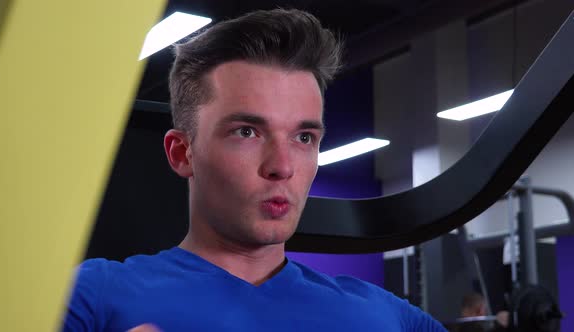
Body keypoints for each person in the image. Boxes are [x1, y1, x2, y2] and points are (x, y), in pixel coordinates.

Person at [62, 8, 446, 331]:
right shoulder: (92, 296)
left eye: (304, 137)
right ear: (182, 152)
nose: (282, 167)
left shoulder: (386, 315)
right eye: (246, 132)